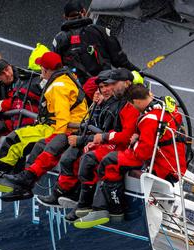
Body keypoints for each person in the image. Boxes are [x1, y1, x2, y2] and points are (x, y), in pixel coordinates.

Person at [74, 84, 187, 229]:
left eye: (132, 104)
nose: (133, 108)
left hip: (161, 167)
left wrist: (134, 142)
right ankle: (101, 207)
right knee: (113, 158)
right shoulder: (165, 109)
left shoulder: (149, 118)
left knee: (109, 162)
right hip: (175, 165)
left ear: (137, 101)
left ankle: (115, 212)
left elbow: (142, 153)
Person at [0, 51, 88, 198]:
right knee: (18, 138)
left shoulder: (58, 87)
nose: (39, 71)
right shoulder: (62, 79)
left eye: (41, 67)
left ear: (46, 69)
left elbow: (62, 120)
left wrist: (56, 140)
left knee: (18, 139)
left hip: (60, 129)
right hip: (57, 126)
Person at [47, 69, 139, 223]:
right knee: (75, 156)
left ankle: (87, 204)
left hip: (122, 146)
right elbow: (90, 90)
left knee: (89, 159)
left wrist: (102, 138)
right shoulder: (116, 100)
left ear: (127, 83)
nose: (110, 88)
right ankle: (76, 197)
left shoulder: (130, 105)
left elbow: (124, 136)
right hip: (113, 141)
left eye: (114, 84)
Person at [52, 0, 138, 83]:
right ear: (84, 11)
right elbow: (119, 60)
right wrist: (138, 71)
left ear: (65, 16)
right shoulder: (101, 31)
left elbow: (54, 68)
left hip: (74, 91)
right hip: (102, 87)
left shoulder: (58, 39)